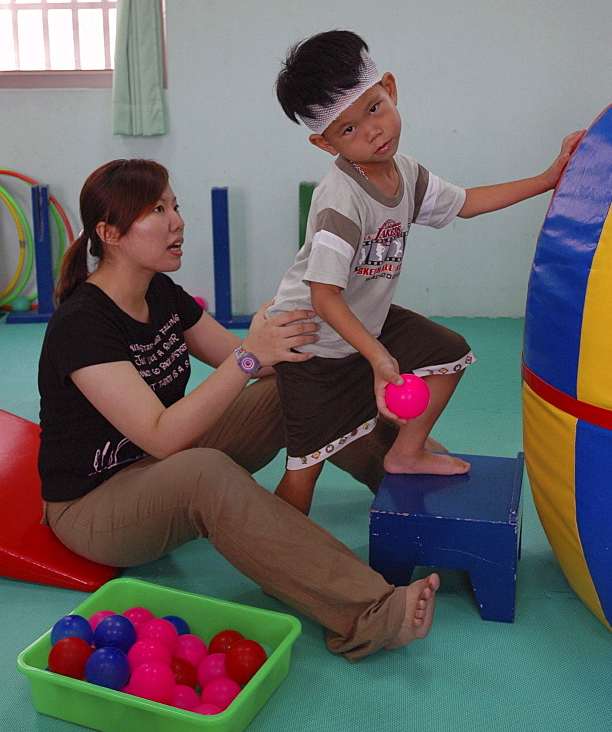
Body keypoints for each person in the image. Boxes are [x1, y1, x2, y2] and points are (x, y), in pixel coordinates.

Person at [37, 158, 440, 662]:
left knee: (295, 385)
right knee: (204, 473)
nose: (177, 220)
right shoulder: (82, 324)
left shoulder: (159, 292)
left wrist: (315, 340)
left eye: (175, 206)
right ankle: (370, 614)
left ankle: (417, 489)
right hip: (96, 505)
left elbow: (252, 363)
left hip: (161, 464)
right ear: (110, 232)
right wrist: (251, 354)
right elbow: (165, 433)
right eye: (157, 209)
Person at [267, 30, 585, 515]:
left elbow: (467, 204)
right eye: (347, 130)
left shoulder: (406, 173)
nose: (372, 132)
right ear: (322, 142)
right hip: (315, 344)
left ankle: (406, 452)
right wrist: (377, 357)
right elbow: (323, 295)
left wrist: (547, 178)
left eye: (373, 109)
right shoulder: (341, 200)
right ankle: (278, 548)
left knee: (448, 352)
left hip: (364, 323)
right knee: (305, 464)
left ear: (390, 89)